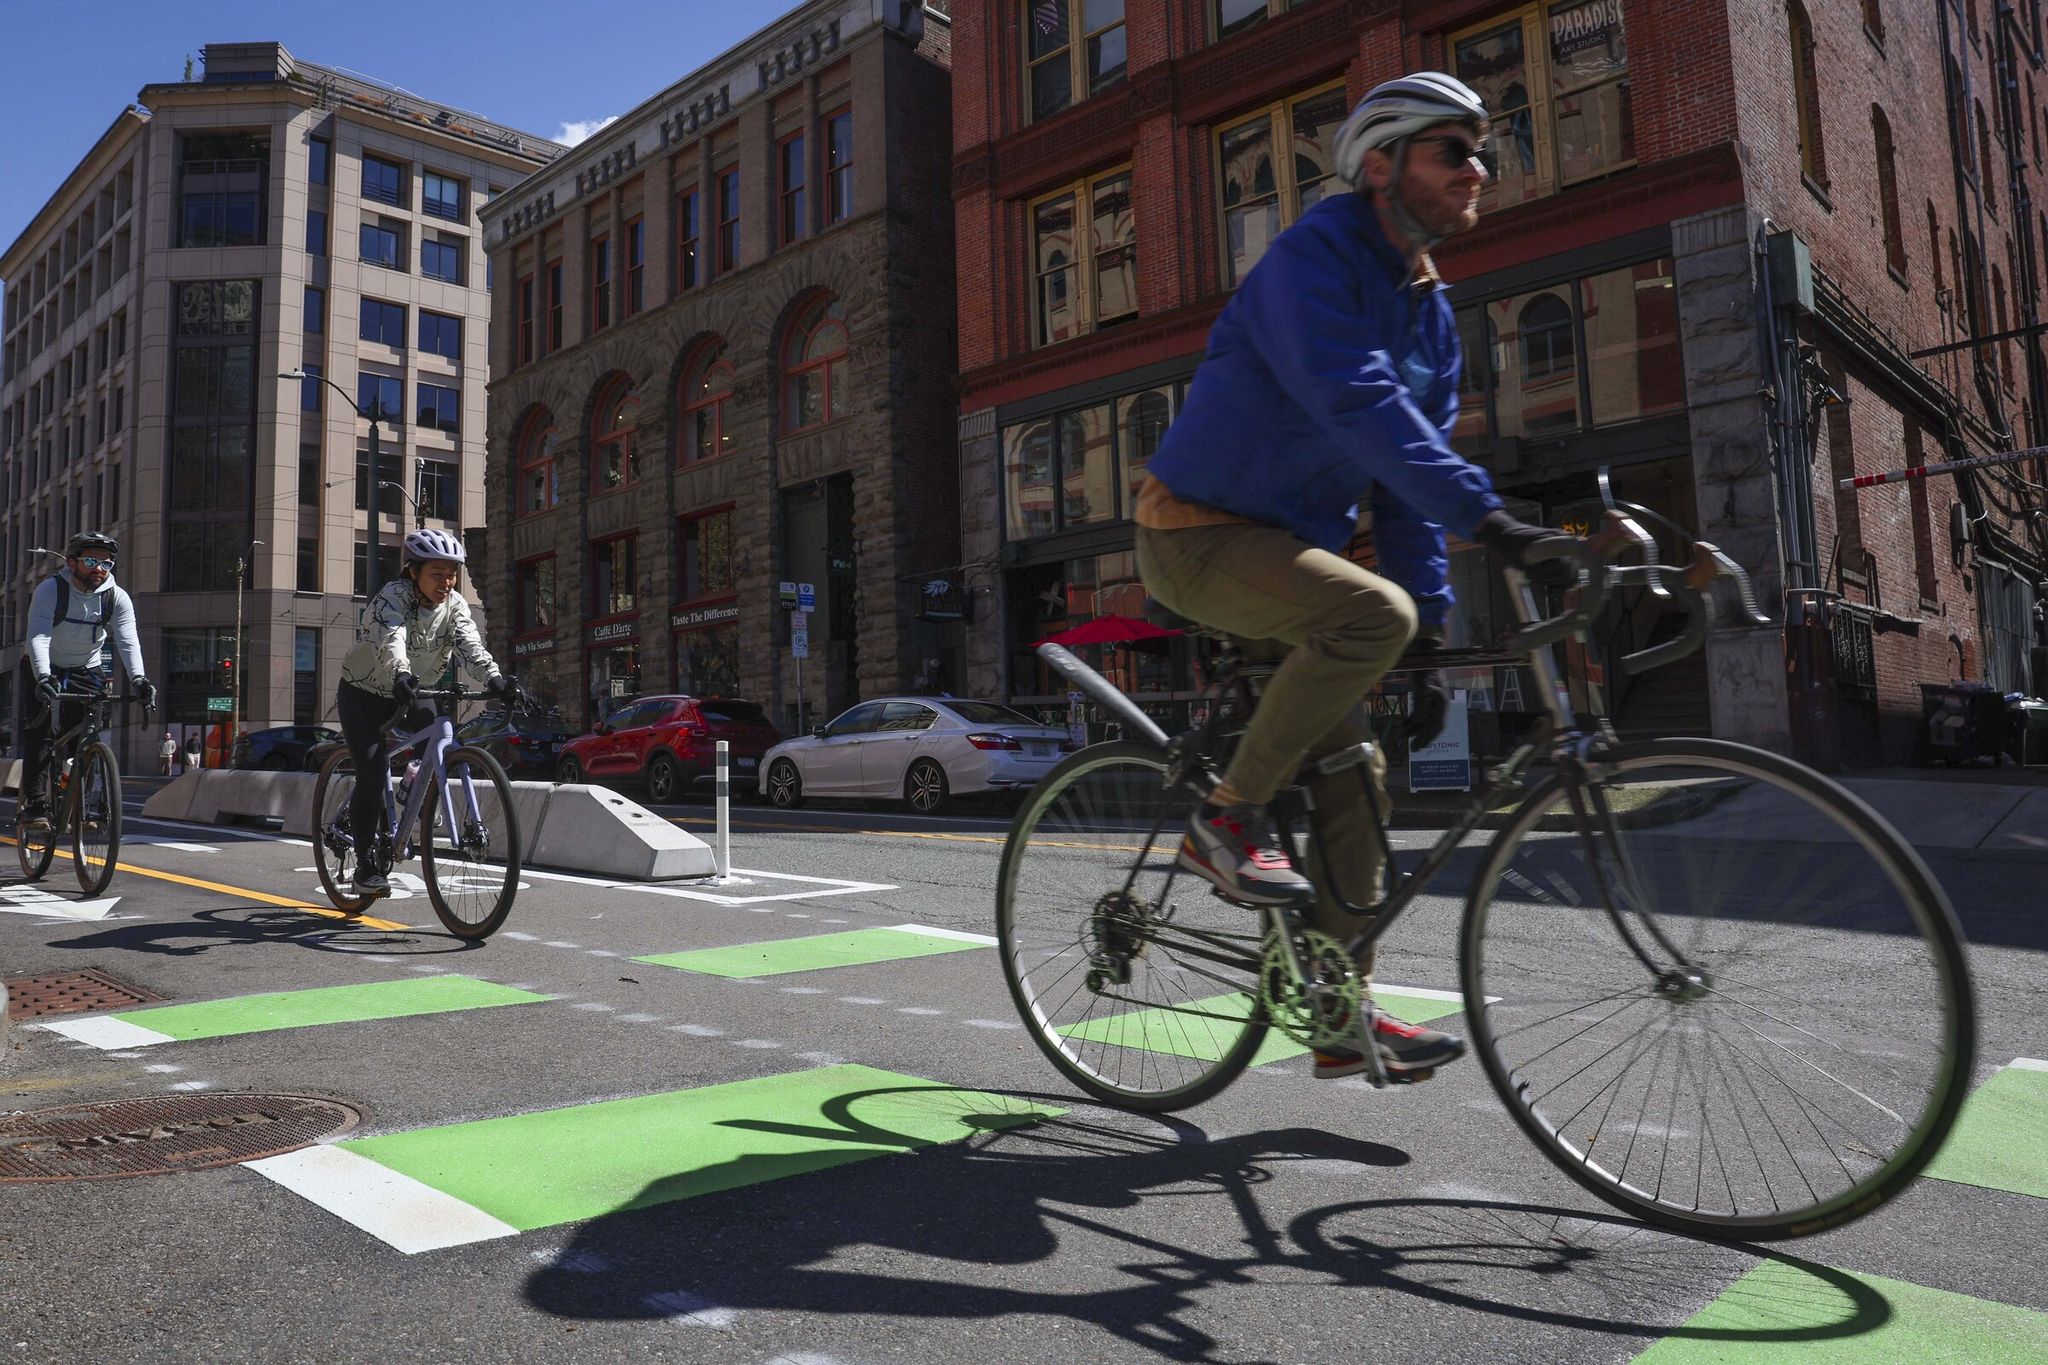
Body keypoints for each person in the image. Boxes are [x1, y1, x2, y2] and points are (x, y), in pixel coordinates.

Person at [1134, 73, 1573, 1082]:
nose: (1477, 168)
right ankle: (1226, 820)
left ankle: (1337, 1014)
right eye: (1450, 150)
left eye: (1481, 150)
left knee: (1357, 776)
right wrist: (1491, 519)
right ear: (1379, 166)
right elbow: (1356, 404)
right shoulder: (1307, 259)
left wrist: (1425, 626)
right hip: (1195, 530)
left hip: (1290, 554)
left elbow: (1401, 475)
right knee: (1361, 612)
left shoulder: (1427, 308)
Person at [335, 528, 521, 896]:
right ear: (413, 572)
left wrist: (496, 679)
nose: (447, 582)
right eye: (437, 573)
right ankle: (366, 865)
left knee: (440, 737)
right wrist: (402, 673)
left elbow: (470, 644)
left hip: (414, 688)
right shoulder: (392, 598)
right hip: (366, 692)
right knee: (372, 774)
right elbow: (392, 641)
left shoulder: (455, 606)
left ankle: (413, 786)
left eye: (452, 574)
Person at [17, 532, 156, 829]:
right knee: (41, 731)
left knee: (87, 735)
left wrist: (140, 679)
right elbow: (39, 637)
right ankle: (36, 805)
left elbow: (128, 641)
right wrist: (43, 677)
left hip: (85, 667)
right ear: (71, 563)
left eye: (107, 563)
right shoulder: (49, 590)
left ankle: (79, 800)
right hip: (41, 664)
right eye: (91, 561)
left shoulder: (117, 597)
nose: (100, 568)